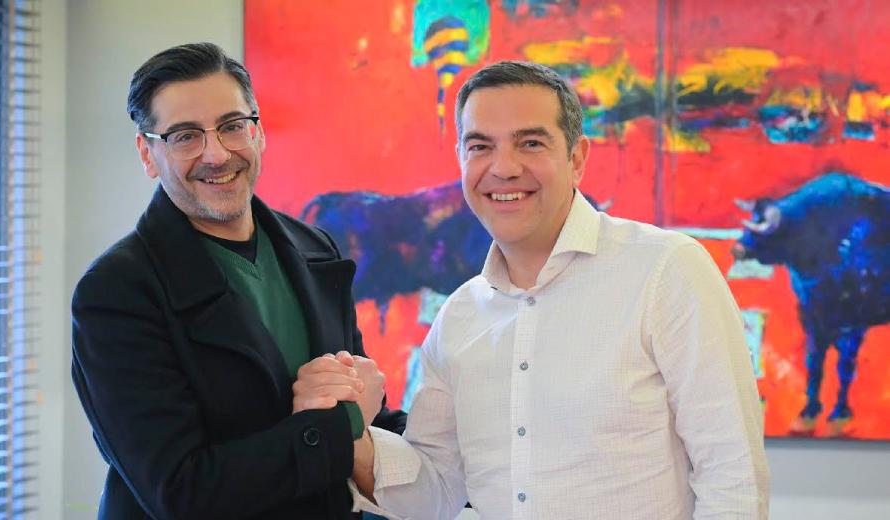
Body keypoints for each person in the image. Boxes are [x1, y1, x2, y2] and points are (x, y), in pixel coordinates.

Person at [313, 61, 769, 519]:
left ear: (577, 158)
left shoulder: (666, 270)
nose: (503, 168)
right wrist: (349, 426)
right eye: (480, 146)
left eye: (530, 143)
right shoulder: (459, 317)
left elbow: (733, 479)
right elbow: (432, 493)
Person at [70, 42, 404, 520]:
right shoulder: (116, 292)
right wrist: (343, 422)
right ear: (148, 154)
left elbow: (371, 413)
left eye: (232, 126)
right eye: (185, 136)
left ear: (258, 132)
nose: (217, 154)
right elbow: (182, 493)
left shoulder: (315, 249)